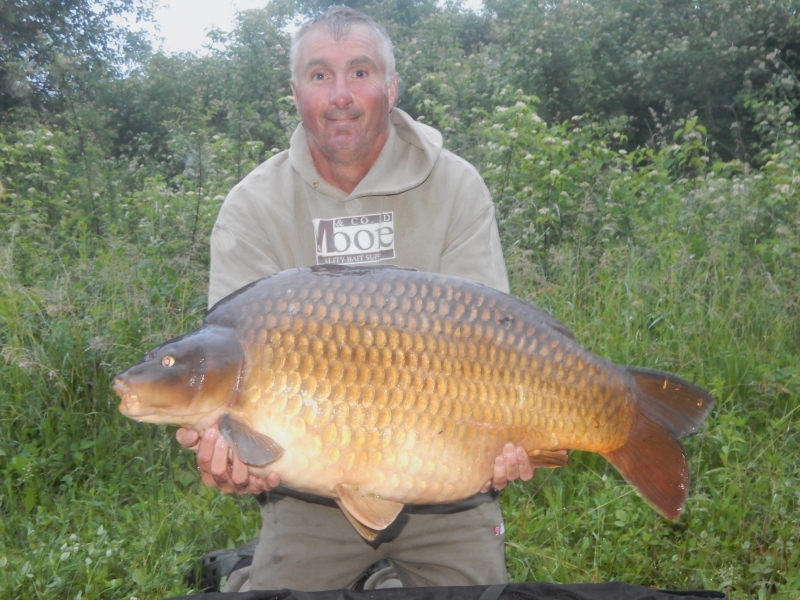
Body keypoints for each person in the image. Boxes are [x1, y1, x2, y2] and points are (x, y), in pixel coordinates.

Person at [176, 6, 555, 593]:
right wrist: (234, 458)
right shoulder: (252, 207)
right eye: (320, 75)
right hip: (309, 497)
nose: (341, 95)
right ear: (296, 91)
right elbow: (226, 354)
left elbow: (493, 348)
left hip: (446, 487)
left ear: (391, 86)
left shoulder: (456, 186)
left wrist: (505, 441)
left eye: (360, 72)